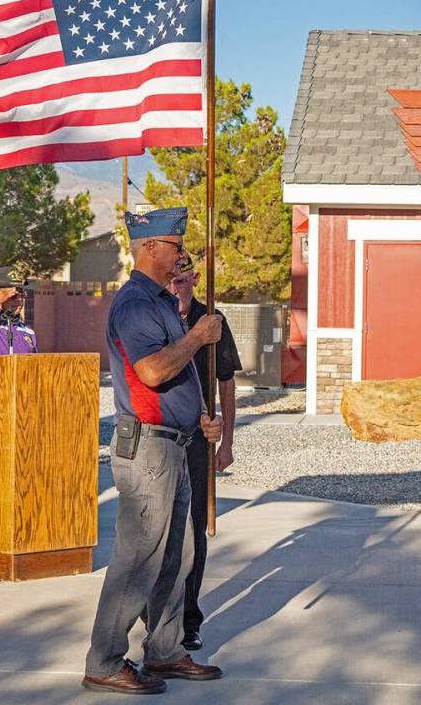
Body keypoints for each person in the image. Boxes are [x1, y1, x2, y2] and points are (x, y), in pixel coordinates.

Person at [83, 208, 226, 695]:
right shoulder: (137, 305)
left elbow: (181, 375)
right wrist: (196, 335)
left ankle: (164, 651)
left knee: (177, 554)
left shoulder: (162, 302)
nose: (181, 253)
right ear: (148, 248)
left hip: (175, 444)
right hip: (148, 447)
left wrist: (201, 414)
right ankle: (104, 659)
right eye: (174, 244)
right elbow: (151, 371)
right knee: (139, 557)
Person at [167, 252, 242, 651]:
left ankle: (189, 619)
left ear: (195, 279)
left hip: (199, 437)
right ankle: (158, 617)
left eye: (182, 281)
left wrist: (226, 440)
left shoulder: (212, 320)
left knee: (195, 528)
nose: (175, 288)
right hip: (160, 436)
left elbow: (226, 380)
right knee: (161, 530)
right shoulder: (156, 315)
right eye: (170, 281)